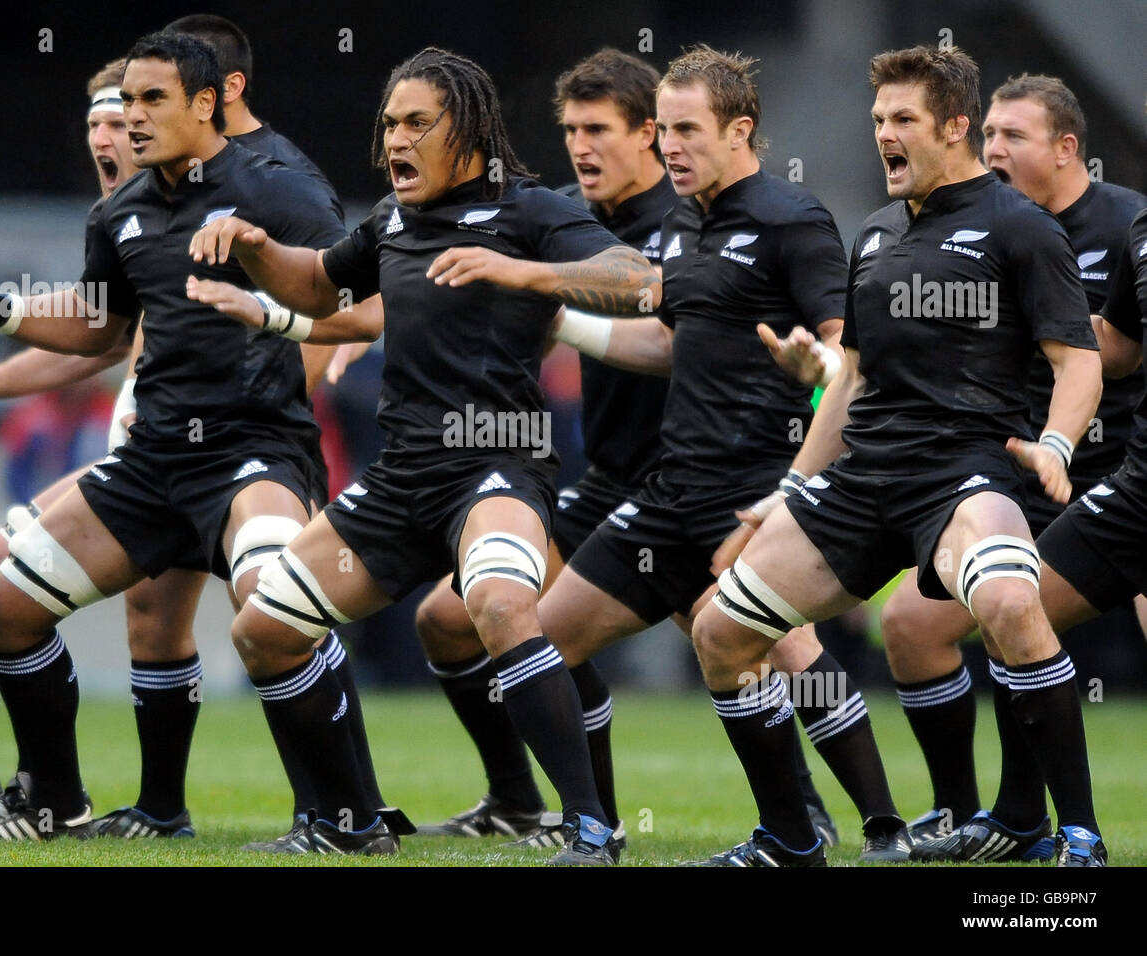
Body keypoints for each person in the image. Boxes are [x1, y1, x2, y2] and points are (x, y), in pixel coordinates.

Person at [188, 46, 659, 863]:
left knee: (502, 607)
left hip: (496, 465)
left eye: (415, 123)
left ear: (468, 131)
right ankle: (353, 823)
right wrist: (255, 246)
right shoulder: (392, 222)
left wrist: (525, 274)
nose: (395, 140)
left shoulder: (531, 209)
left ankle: (591, 829)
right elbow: (319, 285)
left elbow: (638, 278)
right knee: (263, 627)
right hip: (403, 477)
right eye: (389, 124)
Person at [0, 32, 370, 843]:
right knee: (5, 602)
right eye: (126, 103)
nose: (131, 119)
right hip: (153, 457)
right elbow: (103, 329)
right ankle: (58, 804)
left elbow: (356, 299)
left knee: (273, 612)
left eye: (152, 101)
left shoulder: (278, 185)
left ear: (206, 102)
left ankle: (347, 817)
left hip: (254, 449)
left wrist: (293, 325)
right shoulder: (123, 209)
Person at [414, 47, 850, 853]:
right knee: (481, 623)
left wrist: (810, 398)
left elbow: (827, 352)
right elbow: (649, 336)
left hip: (729, 482)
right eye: (570, 129)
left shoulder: (735, 220)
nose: (582, 147)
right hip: (632, 483)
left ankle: (854, 818)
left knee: (777, 646)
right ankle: (562, 812)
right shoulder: (646, 227)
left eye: (601, 130)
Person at [688, 44, 1105, 867]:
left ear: (954, 128)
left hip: (960, 473)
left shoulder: (1022, 228)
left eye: (902, 119)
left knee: (1015, 608)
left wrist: (1057, 441)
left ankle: (1079, 838)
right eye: (878, 118)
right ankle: (790, 839)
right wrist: (793, 486)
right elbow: (854, 378)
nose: (883, 133)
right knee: (719, 633)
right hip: (860, 480)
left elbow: (1078, 358)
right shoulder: (874, 235)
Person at [877, 74, 1146, 856]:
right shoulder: (982, 232)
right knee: (918, 623)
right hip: (1026, 481)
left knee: (1014, 616)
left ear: (1068, 150)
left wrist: (1064, 334)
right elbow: (1120, 344)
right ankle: (983, 817)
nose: (992, 150)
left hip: (1115, 474)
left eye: (1012, 137)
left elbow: (1112, 357)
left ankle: (1031, 820)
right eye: (986, 133)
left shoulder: (1126, 222)